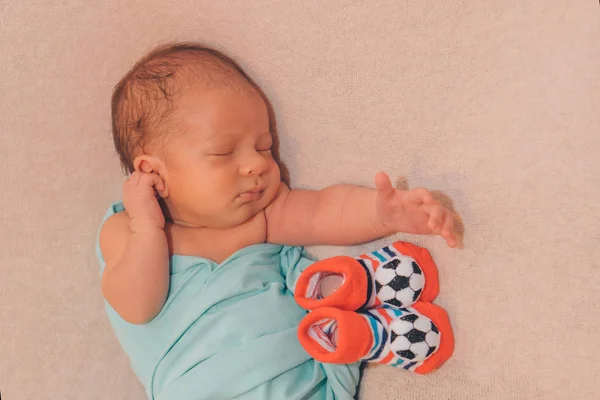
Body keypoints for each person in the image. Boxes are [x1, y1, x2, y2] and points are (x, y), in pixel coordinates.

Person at [97, 42, 458, 400]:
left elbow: (323, 211)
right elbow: (137, 306)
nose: (257, 164)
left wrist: (383, 214)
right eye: (224, 152)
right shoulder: (126, 229)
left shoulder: (263, 213)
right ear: (153, 173)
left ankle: (360, 314)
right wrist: (147, 226)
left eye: (265, 147)